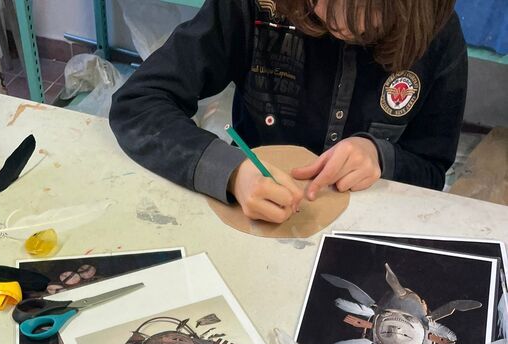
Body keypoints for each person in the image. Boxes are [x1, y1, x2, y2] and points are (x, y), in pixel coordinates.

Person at [109, 0, 467, 225]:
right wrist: (232, 172)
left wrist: (381, 156)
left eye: (367, 8)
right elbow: (139, 104)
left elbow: (431, 167)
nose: (332, 14)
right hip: (254, 229)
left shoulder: (436, 33)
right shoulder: (253, 6)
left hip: (365, 240)